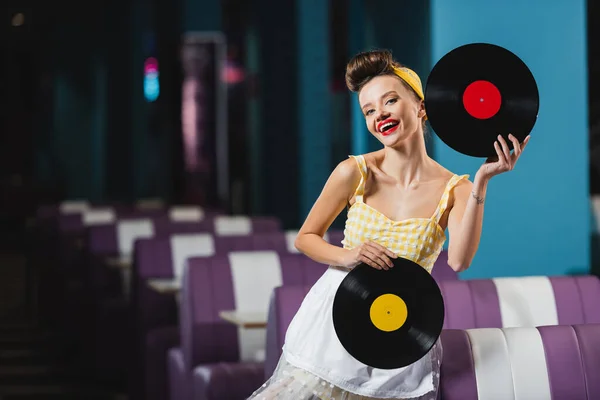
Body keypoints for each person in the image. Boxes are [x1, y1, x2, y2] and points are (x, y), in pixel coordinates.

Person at [249, 49, 530, 400]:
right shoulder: (354, 171)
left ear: (421, 107)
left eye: (390, 101)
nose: (379, 114)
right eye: (368, 110)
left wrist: (484, 180)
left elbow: (459, 261)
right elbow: (306, 238)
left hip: (401, 329)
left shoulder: (456, 189)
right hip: (334, 324)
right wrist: (348, 255)